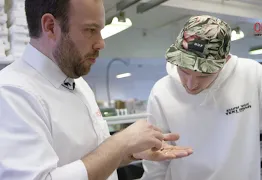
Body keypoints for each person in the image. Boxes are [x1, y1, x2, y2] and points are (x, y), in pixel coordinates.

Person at [0, 0, 193, 180]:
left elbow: (89, 157)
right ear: (50, 26)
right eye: (90, 30)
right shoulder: (11, 93)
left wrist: (131, 152)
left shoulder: (78, 84)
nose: (101, 43)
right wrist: (121, 142)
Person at [141, 15, 262, 180]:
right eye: (184, 71)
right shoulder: (161, 92)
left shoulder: (251, 76)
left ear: (225, 61)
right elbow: (156, 163)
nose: (190, 84)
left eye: (203, 75)